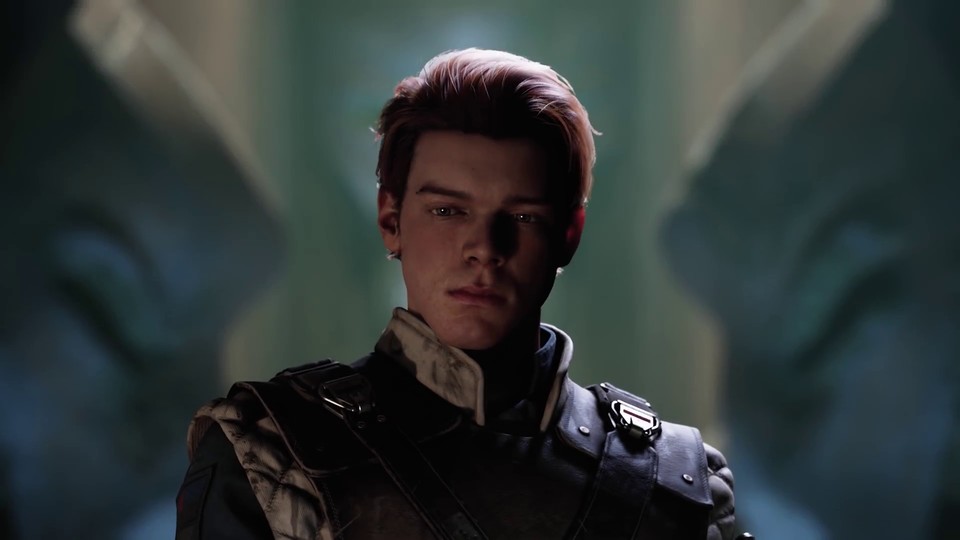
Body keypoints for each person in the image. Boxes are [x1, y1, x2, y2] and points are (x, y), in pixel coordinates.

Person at [174, 48, 738, 540]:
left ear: (569, 234)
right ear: (391, 219)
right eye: (448, 211)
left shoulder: (675, 477)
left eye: (523, 216)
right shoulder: (272, 451)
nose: (484, 248)